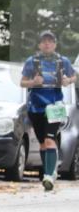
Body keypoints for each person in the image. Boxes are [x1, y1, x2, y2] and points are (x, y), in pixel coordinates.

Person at [20, 30, 76, 191]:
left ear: (55, 44)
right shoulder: (32, 61)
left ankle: (49, 176)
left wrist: (67, 80)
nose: (47, 44)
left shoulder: (62, 61)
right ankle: (49, 171)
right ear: (39, 45)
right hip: (36, 108)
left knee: (50, 139)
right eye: (44, 41)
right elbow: (22, 83)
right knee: (43, 143)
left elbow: (74, 77)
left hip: (54, 107)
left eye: (50, 41)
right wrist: (33, 82)